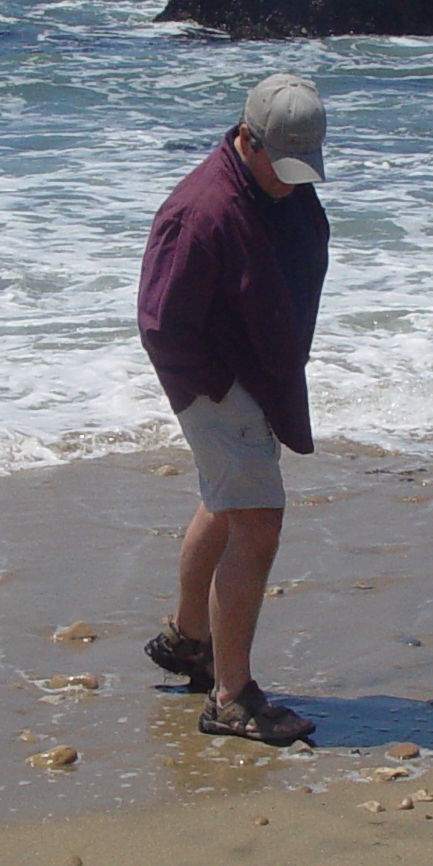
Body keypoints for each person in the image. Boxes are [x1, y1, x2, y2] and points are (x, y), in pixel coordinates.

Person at [135, 73, 331, 745]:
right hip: (216, 382)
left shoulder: (282, 188)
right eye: (281, 165)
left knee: (227, 501)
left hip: (255, 371)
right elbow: (160, 323)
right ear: (248, 140)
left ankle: (191, 640)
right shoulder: (201, 211)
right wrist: (218, 392)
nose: (291, 180)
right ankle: (231, 698)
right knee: (258, 521)